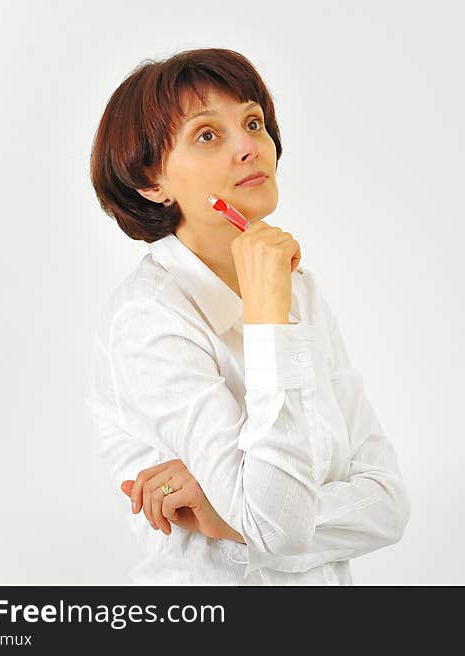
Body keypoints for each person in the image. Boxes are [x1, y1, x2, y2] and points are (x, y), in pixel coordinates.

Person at [84, 48, 410, 585]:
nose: (248, 148)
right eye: (207, 135)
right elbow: (274, 525)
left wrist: (236, 521)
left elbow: (388, 503)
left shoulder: (296, 289)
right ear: (151, 182)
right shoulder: (148, 318)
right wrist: (266, 323)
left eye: (254, 123)